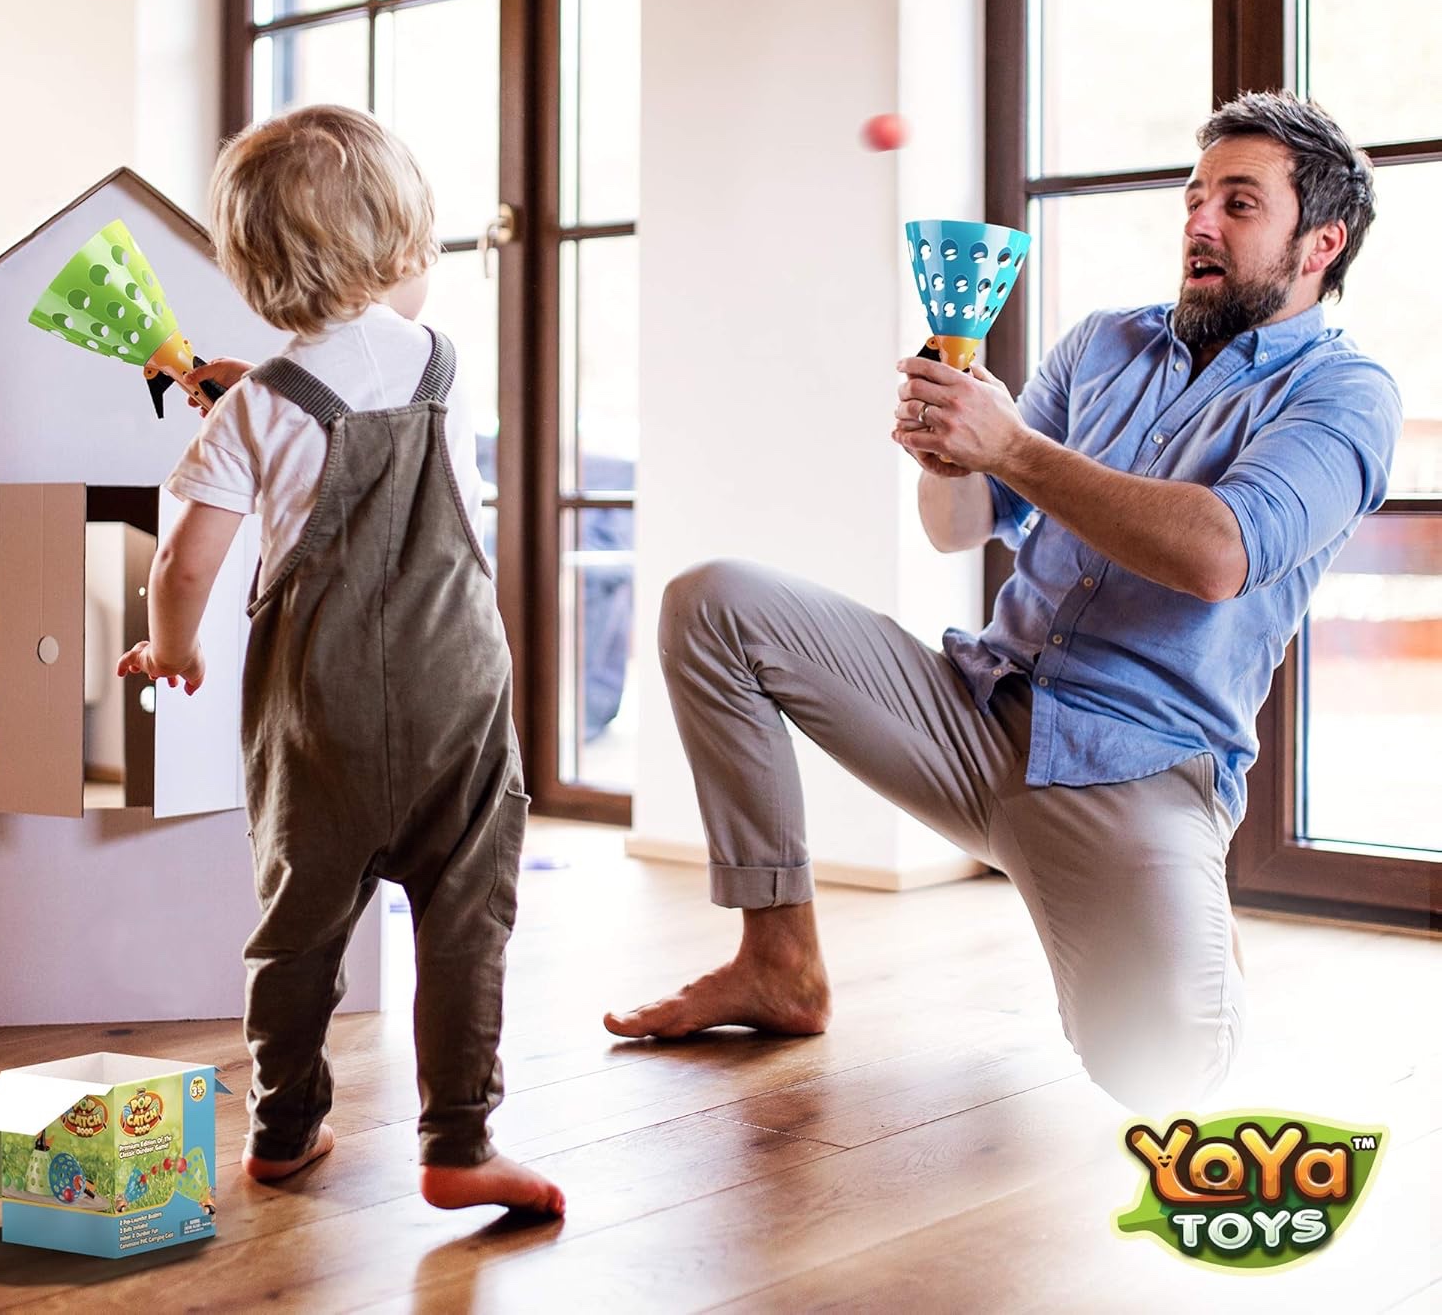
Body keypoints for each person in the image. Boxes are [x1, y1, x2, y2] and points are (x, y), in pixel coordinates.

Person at [604, 90, 1401, 1114]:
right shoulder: (1105, 342)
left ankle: (1173, 903)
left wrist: (1012, 444)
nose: (1200, 222)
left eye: (1239, 204)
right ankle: (778, 962)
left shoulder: (1346, 395)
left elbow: (1219, 554)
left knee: (1164, 1065)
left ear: (1322, 243)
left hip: (1130, 765)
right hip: (973, 711)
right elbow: (959, 523)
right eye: (1195, 197)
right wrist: (951, 449)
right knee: (714, 603)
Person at [117, 104, 564, 1216]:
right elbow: (367, 367)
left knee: (300, 923)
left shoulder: (254, 407)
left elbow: (182, 563)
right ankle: (459, 1142)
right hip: (458, 687)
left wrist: (171, 649)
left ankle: (281, 1131)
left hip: (317, 706)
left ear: (256, 266)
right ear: (401, 245)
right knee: (465, 916)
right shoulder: (443, 364)